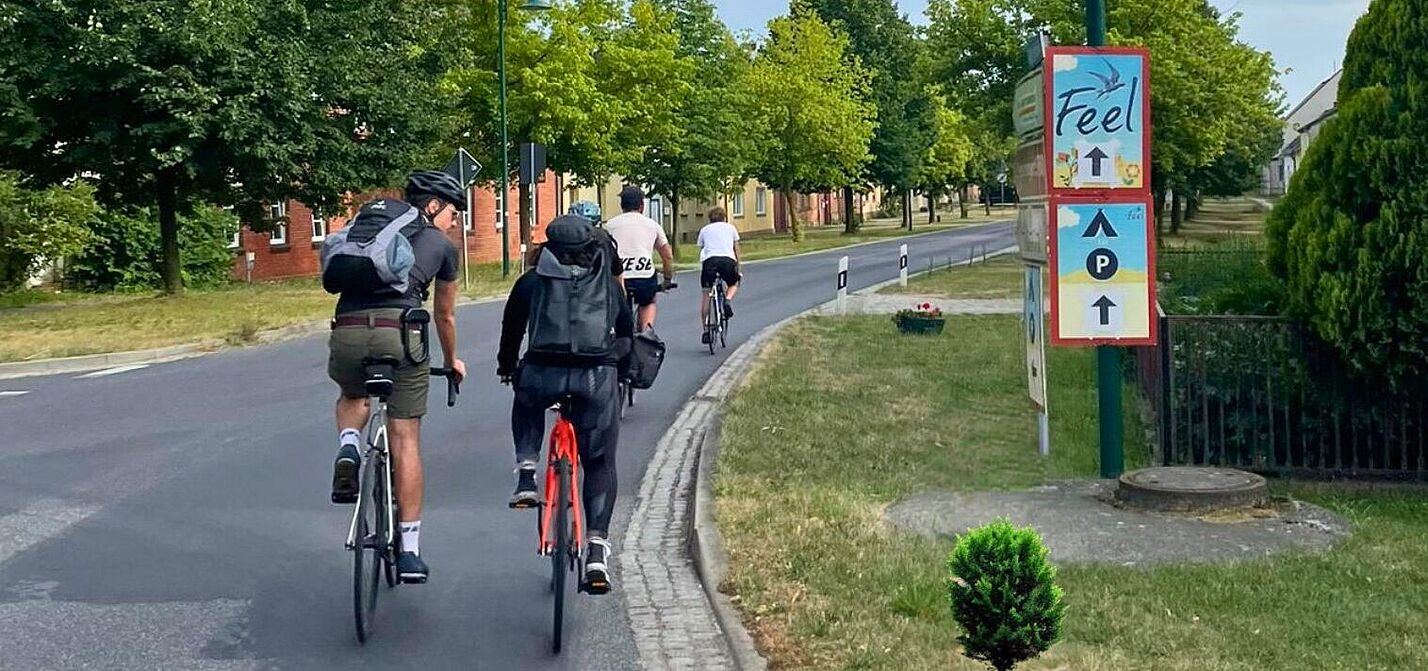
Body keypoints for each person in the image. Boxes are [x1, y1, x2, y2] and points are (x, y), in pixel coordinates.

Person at [328, 170, 468, 584]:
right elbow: (444, 314)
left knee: (353, 395)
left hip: (348, 328)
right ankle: (409, 551)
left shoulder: (369, 229)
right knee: (405, 439)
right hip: (401, 335)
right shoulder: (442, 246)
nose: (455, 221)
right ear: (432, 206)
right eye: (453, 212)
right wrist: (453, 361)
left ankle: (350, 446)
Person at [498, 214, 632, 593]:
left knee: (524, 395)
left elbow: (511, 329)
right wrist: (617, 366)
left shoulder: (531, 281)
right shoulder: (607, 285)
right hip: (595, 378)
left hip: (543, 373)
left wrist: (507, 367)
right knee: (600, 463)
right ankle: (596, 551)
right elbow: (626, 333)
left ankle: (526, 471)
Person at [604, 186, 674, 331]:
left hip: (619, 278)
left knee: (616, 306)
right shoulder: (652, 225)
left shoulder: (609, 226)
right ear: (642, 205)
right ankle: (646, 332)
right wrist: (667, 279)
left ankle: (618, 333)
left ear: (621, 205)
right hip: (644, 276)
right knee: (648, 301)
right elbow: (667, 255)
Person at [697, 205, 741, 343]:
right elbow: (736, 249)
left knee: (706, 295)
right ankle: (727, 299)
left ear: (710, 218)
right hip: (728, 261)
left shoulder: (704, 230)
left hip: (710, 263)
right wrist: (738, 268)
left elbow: (702, 247)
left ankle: (706, 331)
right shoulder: (731, 228)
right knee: (734, 282)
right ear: (724, 217)